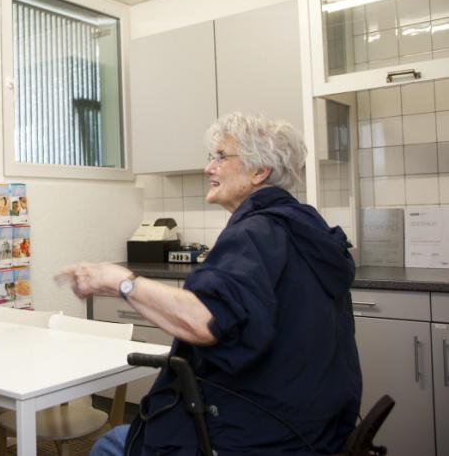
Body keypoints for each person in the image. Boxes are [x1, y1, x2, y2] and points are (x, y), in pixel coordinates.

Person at [56, 112, 361, 456]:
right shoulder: (304, 229)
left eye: (220, 157)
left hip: (262, 434)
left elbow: (204, 320)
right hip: (317, 429)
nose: (208, 168)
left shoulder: (255, 233)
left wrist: (120, 281)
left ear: (259, 172)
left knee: (112, 444)